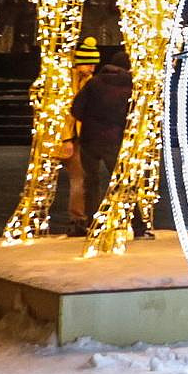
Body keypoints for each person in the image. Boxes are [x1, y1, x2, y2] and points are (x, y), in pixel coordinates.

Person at [69, 45, 137, 238]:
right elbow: (133, 113)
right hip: (114, 139)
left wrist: (91, 121)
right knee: (124, 181)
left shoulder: (94, 82)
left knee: (91, 182)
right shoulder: (130, 85)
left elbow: (75, 109)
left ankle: (91, 222)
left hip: (89, 140)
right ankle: (136, 223)